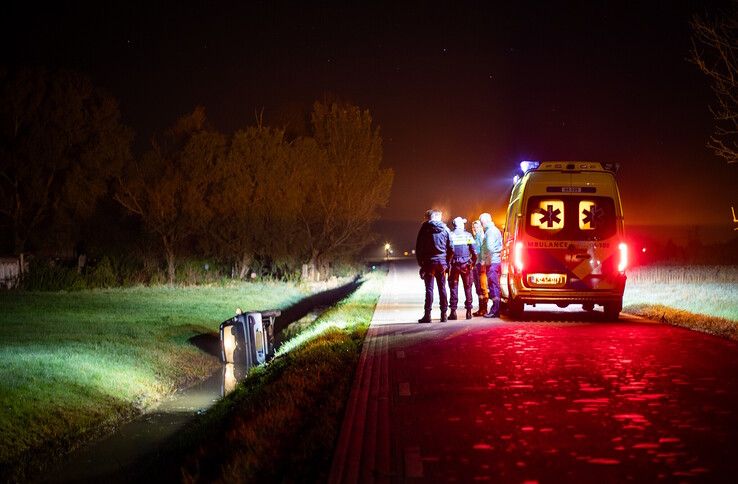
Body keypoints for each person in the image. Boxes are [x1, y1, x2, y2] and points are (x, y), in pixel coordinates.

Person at [415, 209, 453, 323]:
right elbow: (451, 248)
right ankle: (444, 314)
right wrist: (447, 262)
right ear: (438, 217)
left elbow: (419, 248)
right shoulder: (446, 229)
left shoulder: (424, 229)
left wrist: (421, 263)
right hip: (441, 263)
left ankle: (427, 315)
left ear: (429, 218)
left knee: (429, 289)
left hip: (428, 263)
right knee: (442, 288)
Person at [448, 217, 477, 320]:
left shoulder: (450, 235)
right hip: (466, 265)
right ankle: (468, 312)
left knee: (453, 287)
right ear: (460, 225)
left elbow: (448, 251)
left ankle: (453, 312)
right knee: (468, 287)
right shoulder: (467, 235)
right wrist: (472, 263)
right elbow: (474, 252)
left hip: (454, 265)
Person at [479, 212, 503, 318]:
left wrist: (484, 260)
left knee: (493, 286)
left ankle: (495, 310)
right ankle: (496, 310)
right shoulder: (494, 230)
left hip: (492, 262)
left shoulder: (490, 232)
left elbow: (489, 248)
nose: (481, 225)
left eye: (481, 222)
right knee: (494, 286)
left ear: (484, 221)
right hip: (494, 261)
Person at [471, 220, 489, 316]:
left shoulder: (481, 237)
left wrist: (482, 261)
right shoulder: (475, 237)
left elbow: (485, 250)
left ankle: (484, 309)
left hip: (481, 265)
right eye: (474, 227)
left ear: (481, 227)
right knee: (478, 287)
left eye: (477, 227)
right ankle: (481, 309)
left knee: (483, 287)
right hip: (476, 265)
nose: (475, 229)